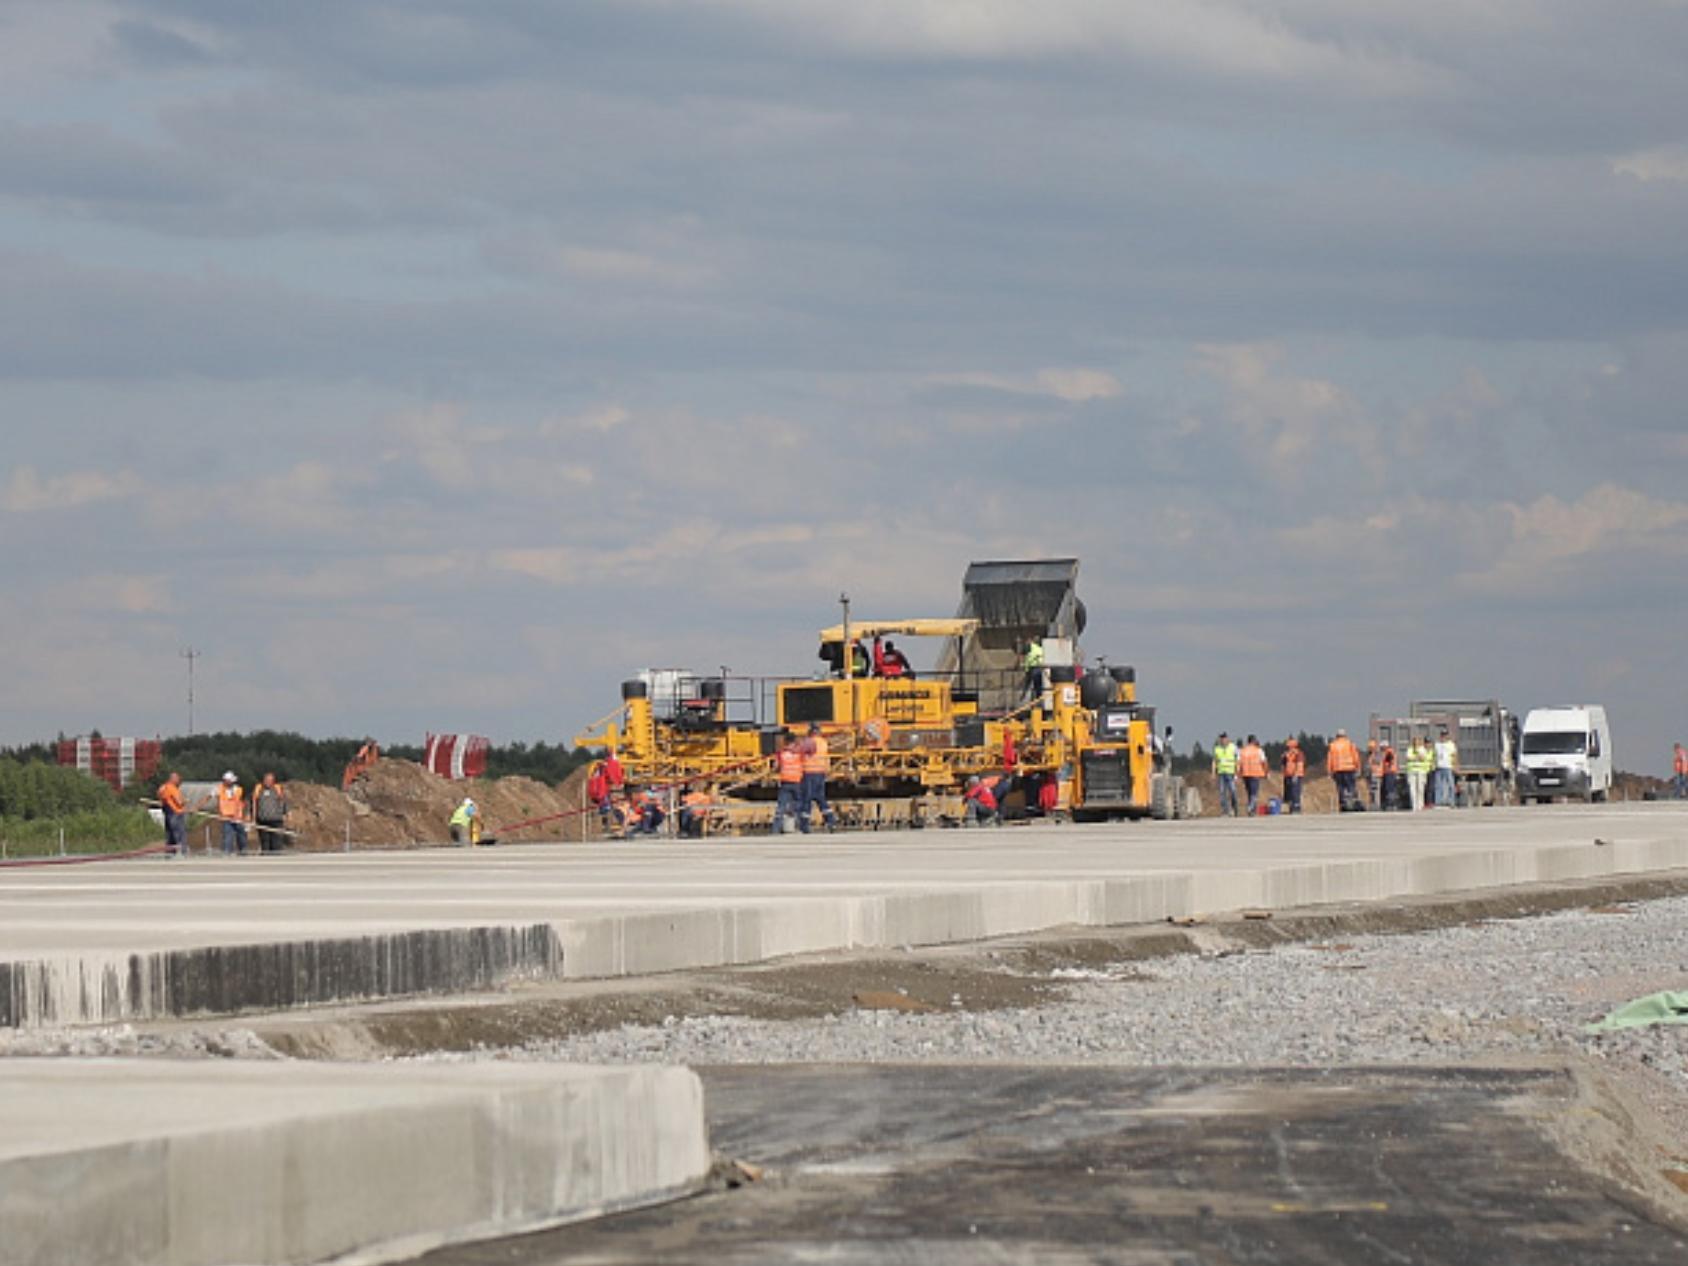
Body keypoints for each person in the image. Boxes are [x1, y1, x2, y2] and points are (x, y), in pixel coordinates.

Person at [799, 723, 838, 834]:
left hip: (809, 773)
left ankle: (804, 825)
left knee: (807, 799)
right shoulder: (823, 743)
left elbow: (799, 753)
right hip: (820, 773)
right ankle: (831, 821)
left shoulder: (809, 742)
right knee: (821, 799)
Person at [773, 733, 805, 834]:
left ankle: (776, 829)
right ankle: (800, 827)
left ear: (785, 742)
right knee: (798, 805)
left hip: (785, 782)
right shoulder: (800, 753)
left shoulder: (780, 753)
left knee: (781, 806)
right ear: (794, 742)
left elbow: (776, 766)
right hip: (797, 781)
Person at [212, 771, 248, 855]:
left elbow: (245, 802)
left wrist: (245, 815)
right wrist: (197, 807)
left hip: (238, 817)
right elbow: (208, 798)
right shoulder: (219, 788)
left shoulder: (238, 789)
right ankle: (227, 853)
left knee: (241, 835)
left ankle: (243, 852)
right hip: (226, 817)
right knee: (228, 835)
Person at [253, 772, 289, 853]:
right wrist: (253, 817)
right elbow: (254, 803)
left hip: (276, 819)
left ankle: (276, 859)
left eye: (270, 780)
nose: (267, 782)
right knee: (265, 841)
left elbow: (283, 802)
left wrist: (286, 813)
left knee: (276, 842)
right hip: (262, 819)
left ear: (273, 781)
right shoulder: (259, 789)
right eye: (266, 780)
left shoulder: (277, 789)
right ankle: (265, 860)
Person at [1326, 729, 1361, 811]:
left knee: (1340, 787)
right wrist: (1358, 767)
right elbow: (1355, 756)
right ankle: (1352, 803)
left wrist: (1329, 771)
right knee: (1351, 786)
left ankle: (1343, 804)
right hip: (1349, 769)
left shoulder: (1333, 745)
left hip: (1337, 769)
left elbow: (1329, 759)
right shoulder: (1350, 744)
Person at [158, 771, 188, 857]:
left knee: (170, 834)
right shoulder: (172, 788)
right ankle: (181, 852)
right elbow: (179, 802)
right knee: (179, 833)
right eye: (178, 779)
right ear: (173, 779)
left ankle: (169, 853)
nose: (179, 781)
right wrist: (184, 801)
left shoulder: (163, 788)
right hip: (176, 813)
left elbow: (162, 799)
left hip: (168, 813)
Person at [1211, 732, 1240, 817]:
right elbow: (1214, 761)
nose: (1222, 740)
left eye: (1224, 738)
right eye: (1221, 739)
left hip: (1231, 773)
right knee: (1222, 792)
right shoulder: (1217, 749)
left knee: (1233, 791)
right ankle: (1225, 810)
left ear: (1227, 739)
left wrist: (1237, 773)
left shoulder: (1233, 747)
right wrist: (1213, 773)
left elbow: (1237, 760)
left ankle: (1235, 807)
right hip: (1221, 773)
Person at [1238, 735, 1268, 816]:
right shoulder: (1258, 750)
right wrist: (1266, 772)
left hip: (1245, 774)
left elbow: (1238, 763)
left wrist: (1238, 773)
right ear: (1254, 741)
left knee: (1249, 792)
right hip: (1255, 773)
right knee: (1254, 793)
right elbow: (1264, 762)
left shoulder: (1242, 751)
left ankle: (1252, 810)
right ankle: (1251, 808)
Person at [1405, 736, 1433, 812]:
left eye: (1417, 741)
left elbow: (1423, 758)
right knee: (1412, 789)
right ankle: (1414, 806)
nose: (1416, 743)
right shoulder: (1410, 749)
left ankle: (1420, 805)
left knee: (1420, 789)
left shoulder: (1422, 749)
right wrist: (1416, 757)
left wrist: (1414, 758)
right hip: (1411, 771)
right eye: (1414, 741)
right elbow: (1408, 758)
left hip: (1421, 771)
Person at [1433, 728, 1460, 808]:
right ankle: (1438, 802)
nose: (1443, 737)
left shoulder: (1451, 745)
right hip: (1439, 767)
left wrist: (1455, 766)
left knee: (1450, 785)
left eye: (1445, 735)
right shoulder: (1437, 744)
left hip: (1448, 766)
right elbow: (1434, 755)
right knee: (1438, 785)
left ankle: (1451, 802)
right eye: (1442, 735)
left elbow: (1454, 755)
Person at [1280, 738, 1305, 815]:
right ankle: (1291, 807)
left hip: (1295, 775)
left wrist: (1296, 774)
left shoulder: (1298, 753)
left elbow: (1299, 764)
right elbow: (1283, 764)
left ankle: (1296, 807)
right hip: (1288, 775)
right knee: (1289, 792)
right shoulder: (1286, 754)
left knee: (1295, 792)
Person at [1378, 743, 1399, 812]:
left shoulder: (1389, 752)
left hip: (1389, 773)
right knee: (1389, 789)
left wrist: (1387, 768)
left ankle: (1390, 804)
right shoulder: (1390, 752)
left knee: (1389, 789)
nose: (1381, 749)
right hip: (1389, 772)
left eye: (1381, 747)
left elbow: (1389, 762)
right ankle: (1390, 804)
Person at [1364, 739, 1382, 811]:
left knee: (1376, 791)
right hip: (1369, 775)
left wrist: (1372, 757)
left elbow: (1377, 762)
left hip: (1376, 774)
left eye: (1372, 746)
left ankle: (1377, 804)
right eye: (1369, 746)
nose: (1370, 748)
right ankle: (1372, 804)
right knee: (1370, 791)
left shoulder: (1377, 754)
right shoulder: (1367, 755)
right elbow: (1366, 765)